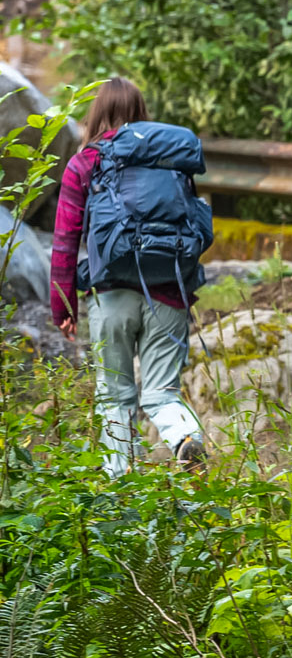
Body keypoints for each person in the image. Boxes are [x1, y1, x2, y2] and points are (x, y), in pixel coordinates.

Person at [49, 78, 208, 475]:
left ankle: (120, 488)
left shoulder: (85, 163)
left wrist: (63, 306)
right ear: (140, 111)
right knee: (161, 393)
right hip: (169, 292)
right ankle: (184, 438)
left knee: (115, 397)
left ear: (96, 113)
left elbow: (65, 241)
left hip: (111, 295)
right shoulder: (171, 159)